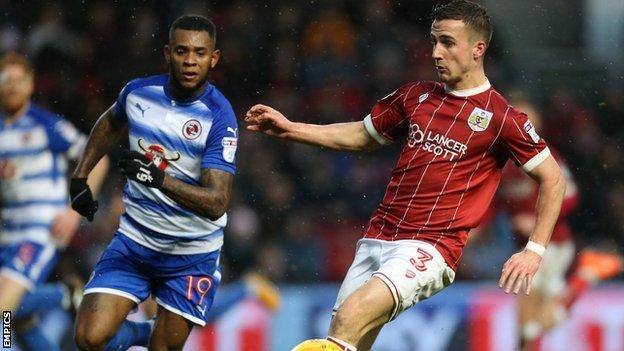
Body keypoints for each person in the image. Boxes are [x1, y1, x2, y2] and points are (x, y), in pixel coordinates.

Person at [246, 1, 567, 350]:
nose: (435, 53)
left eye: (447, 42)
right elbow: (362, 137)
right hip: (376, 237)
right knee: (348, 338)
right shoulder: (415, 97)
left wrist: (534, 251)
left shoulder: (502, 118)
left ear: (478, 48)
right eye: (433, 41)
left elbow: (554, 178)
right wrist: (291, 129)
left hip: (431, 247)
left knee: (349, 316)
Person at [70, 15, 239, 351]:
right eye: (182, 51)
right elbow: (111, 122)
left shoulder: (219, 116)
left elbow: (217, 201)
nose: (190, 60)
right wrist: (80, 176)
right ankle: (139, 332)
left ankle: (149, 334)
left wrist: (160, 179)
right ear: (167, 53)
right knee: (89, 339)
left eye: (200, 53)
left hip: (191, 254)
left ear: (213, 58)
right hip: (135, 241)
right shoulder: (138, 93)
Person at [0, 52, 109, 350]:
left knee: (1, 309)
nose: (11, 86)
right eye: (5, 80)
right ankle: (62, 295)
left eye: (18, 80)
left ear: (31, 85)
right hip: (6, 233)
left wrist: (75, 210)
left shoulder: (45, 125)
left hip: (40, 231)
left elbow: (97, 159)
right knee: (16, 318)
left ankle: (60, 295)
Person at [497, 97, 623, 350]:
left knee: (528, 322)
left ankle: (584, 278)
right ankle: (586, 275)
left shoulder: (545, 156)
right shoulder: (501, 161)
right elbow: (496, 202)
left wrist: (536, 219)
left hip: (550, 244)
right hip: (524, 247)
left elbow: (571, 194)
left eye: (525, 121)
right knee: (530, 327)